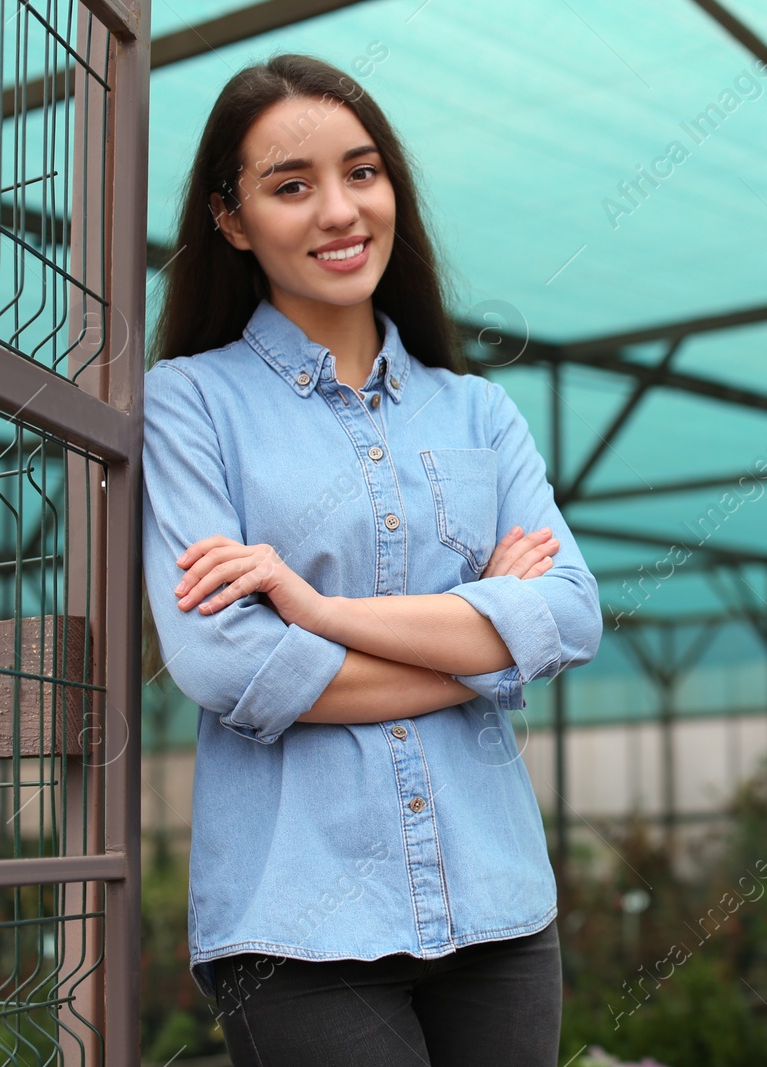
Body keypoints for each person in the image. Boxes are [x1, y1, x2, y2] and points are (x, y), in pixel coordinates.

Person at [138, 52, 602, 1066]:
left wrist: (316, 608)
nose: (340, 210)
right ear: (231, 218)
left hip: (499, 905)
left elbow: (570, 612)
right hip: (297, 920)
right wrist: (486, 638)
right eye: (290, 185)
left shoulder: (475, 408)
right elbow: (229, 665)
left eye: (363, 171)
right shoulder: (188, 401)